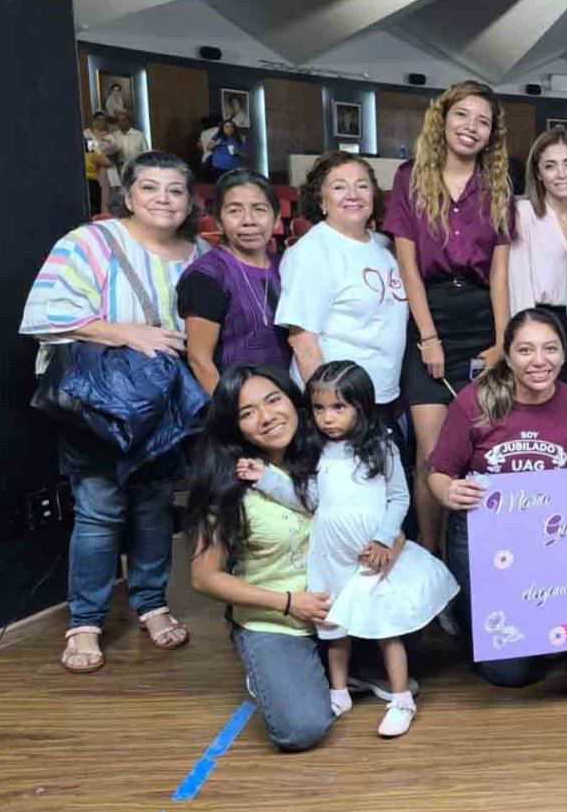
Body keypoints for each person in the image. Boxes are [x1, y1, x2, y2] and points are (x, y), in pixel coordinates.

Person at [21, 151, 208, 672]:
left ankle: (151, 603)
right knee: (100, 509)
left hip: (165, 406)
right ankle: (85, 622)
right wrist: (127, 333)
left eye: (175, 190)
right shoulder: (90, 243)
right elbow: (44, 314)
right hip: (101, 402)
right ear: (128, 195)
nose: (163, 200)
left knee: (153, 506)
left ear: (190, 201)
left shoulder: (197, 255)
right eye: (150, 188)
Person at [241, 361, 454, 738]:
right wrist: (268, 480)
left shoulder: (381, 446)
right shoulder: (315, 451)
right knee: (334, 625)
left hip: (372, 555)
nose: (327, 418)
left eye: (339, 407)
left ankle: (401, 697)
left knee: (388, 627)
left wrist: (386, 539)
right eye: (319, 409)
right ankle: (339, 693)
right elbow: (308, 501)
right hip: (331, 554)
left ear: (362, 406)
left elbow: (398, 497)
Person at [428, 308, 567, 688]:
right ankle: (464, 605)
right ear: (507, 353)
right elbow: (437, 473)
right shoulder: (474, 401)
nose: (539, 361)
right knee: (510, 673)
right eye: (525, 350)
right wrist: (448, 491)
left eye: (550, 349)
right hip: (483, 536)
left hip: (547, 533)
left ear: (564, 353)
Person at [386, 81, 514, 557]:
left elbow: (500, 274)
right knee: (431, 454)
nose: (471, 127)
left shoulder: (498, 184)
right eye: (463, 115)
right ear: (444, 118)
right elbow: (407, 265)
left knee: (481, 449)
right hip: (430, 320)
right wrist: (428, 337)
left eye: (483, 121)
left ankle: (477, 556)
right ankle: (432, 556)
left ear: (491, 134)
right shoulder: (410, 177)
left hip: (481, 318)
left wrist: (503, 342)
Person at [188, 365, 336, 751]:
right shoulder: (229, 483)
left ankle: (324, 669)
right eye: (247, 412)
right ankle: (268, 666)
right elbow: (204, 577)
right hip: (278, 616)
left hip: (340, 610)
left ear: (293, 400)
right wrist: (288, 603)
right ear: (233, 426)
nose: (268, 417)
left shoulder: (330, 453)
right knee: (301, 728)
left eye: (273, 400)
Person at [276, 152, 407, 412]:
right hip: (340, 402)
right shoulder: (312, 251)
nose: (353, 194)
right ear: (321, 200)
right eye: (339, 187)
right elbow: (303, 342)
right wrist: (331, 408)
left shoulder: (385, 246)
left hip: (384, 393)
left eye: (362, 185)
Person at [178, 169, 290, 391]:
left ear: (276, 219)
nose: (248, 221)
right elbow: (200, 361)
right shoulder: (207, 276)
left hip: (285, 401)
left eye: (259, 209)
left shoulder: (287, 268)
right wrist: (231, 414)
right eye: (234, 211)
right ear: (219, 221)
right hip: (235, 403)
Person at [508, 128, 567, 393]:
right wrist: (525, 344)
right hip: (540, 325)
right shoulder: (524, 214)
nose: (562, 174)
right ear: (538, 174)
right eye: (550, 166)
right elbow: (517, 285)